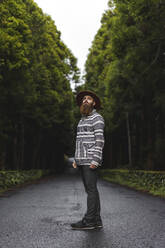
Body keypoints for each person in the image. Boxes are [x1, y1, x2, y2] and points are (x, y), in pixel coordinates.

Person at [71, 90, 105, 230]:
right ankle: (96, 220)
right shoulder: (82, 119)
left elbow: (99, 140)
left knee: (91, 190)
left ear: (94, 103)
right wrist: (76, 159)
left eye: (89, 99)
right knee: (92, 190)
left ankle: (89, 220)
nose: (85, 100)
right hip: (82, 160)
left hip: (90, 159)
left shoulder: (97, 118)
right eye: (84, 99)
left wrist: (95, 159)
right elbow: (79, 141)